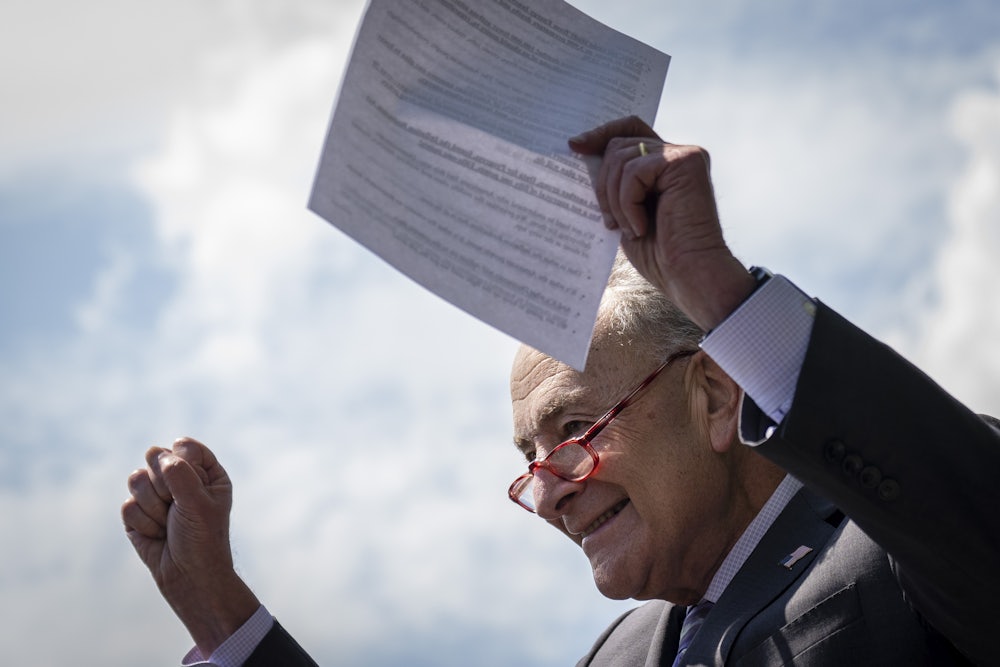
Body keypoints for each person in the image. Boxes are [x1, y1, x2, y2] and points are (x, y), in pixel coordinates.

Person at [122, 116, 1000, 666]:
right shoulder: (613, 656)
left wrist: (723, 294)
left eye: (574, 426)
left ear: (718, 395)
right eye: (526, 460)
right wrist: (222, 616)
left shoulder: (897, 546)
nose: (545, 491)